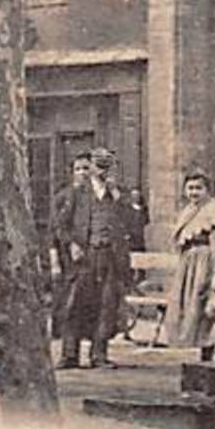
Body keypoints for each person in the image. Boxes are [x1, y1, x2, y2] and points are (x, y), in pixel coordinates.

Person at [53, 147, 129, 369]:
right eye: (99, 165)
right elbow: (61, 226)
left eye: (107, 166)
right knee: (74, 305)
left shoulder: (118, 195)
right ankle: (69, 355)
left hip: (110, 258)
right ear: (92, 168)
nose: (102, 171)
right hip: (84, 258)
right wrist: (72, 245)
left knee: (106, 305)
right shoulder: (77, 194)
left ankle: (99, 355)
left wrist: (117, 196)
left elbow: (133, 222)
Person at [163, 169, 215, 362]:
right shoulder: (189, 211)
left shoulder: (214, 210)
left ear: (207, 190)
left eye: (199, 188)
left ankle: (209, 350)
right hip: (190, 263)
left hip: (206, 263)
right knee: (191, 308)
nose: (194, 193)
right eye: (190, 188)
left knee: (205, 307)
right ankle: (201, 348)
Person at [48, 153, 94, 339]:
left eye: (86, 168)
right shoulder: (63, 197)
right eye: (78, 169)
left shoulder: (95, 197)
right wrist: (55, 262)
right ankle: (65, 338)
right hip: (68, 255)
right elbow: (54, 231)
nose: (83, 173)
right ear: (72, 173)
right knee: (68, 297)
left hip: (90, 254)